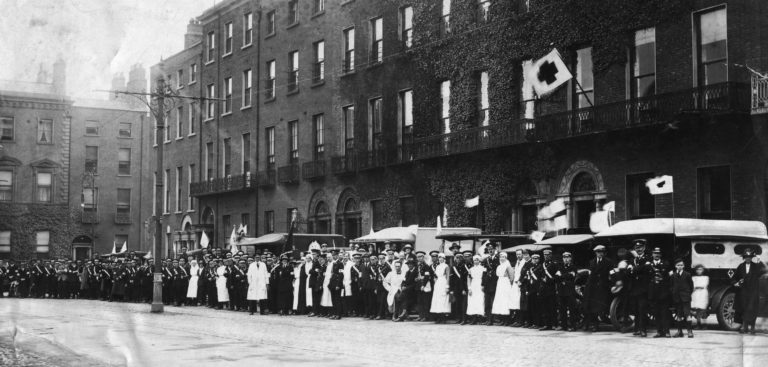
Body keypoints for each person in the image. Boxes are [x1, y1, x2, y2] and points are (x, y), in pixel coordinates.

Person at [732, 248, 766, 335]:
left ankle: (752, 328)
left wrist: (759, 261)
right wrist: (736, 283)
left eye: (750, 257)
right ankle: (744, 327)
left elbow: (763, 271)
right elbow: (734, 278)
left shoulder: (756, 266)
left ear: (752, 257)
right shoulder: (740, 266)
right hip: (743, 292)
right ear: (744, 257)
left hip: (753, 292)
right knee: (744, 309)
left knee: (752, 309)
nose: (748, 258)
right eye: (746, 257)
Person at [583, 245, 612, 332]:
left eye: (601, 252)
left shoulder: (608, 262)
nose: (600, 254)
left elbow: (611, 274)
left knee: (596, 307)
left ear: (604, 253)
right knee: (587, 304)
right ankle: (587, 323)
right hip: (592, 286)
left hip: (602, 286)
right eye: (598, 252)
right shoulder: (592, 262)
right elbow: (590, 274)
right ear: (595, 253)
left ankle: (596, 325)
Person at [627, 239, 652, 337]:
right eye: (637, 248)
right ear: (634, 249)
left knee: (642, 309)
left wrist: (634, 269)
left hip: (644, 288)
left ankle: (643, 330)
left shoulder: (648, 258)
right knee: (636, 310)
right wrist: (636, 269)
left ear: (644, 248)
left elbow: (646, 269)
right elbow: (628, 272)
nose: (639, 249)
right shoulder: (632, 260)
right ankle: (637, 328)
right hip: (634, 288)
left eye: (641, 247)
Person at [648, 247, 671, 338]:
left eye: (658, 253)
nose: (656, 255)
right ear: (652, 254)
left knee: (665, 313)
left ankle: (667, 331)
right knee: (656, 313)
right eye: (655, 253)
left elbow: (669, 279)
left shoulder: (665, 264)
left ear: (660, 255)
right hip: (653, 292)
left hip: (663, 292)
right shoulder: (648, 265)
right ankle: (659, 331)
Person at [670, 258, 694, 338]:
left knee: (687, 314)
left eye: (681, 265)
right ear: (675, 266)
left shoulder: (687, 274)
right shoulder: (673, 275)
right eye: (678, 265)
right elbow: (671, 286)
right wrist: (674, 292)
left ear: (683, 266)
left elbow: (691, 286)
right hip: (677, 298)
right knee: (679, 315)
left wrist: (687, 294)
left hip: (685, 298)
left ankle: (690, 331)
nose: (680, 266)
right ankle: (679, 331)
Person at [555, 251, 579, 331]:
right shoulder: (560, 267)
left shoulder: (573, 267)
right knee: (562, 309)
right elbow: (556, 278)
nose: (566, 259)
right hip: (561, 291)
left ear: (570, 258)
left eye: (567, 258)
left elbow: (572, 276)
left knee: (572, 309)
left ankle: (573, 326)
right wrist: (565, 276)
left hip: (569, 291)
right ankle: (563, 325)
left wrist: (562, 276)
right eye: (564, 258)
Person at [537, 249, 557, 331]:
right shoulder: (542, 265)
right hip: (543, 289)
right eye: (545, 255)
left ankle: (553, 324)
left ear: (551, 255)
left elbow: (556, 277)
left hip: (551, 288)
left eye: (548, 255)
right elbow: (540, 275)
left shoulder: (554, 265)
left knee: (552, 307)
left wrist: (548, 280)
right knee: (544, 308)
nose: (546, 256)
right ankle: (546, 324)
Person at [430, 253, 451, 323]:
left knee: (443, 299)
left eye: (442, 258)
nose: (440, 259)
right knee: (437, 299)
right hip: (438, 283)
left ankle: (443, 318)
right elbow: (436, 275)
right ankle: (438, 317)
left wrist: (447, 286)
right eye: (439, 258)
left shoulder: (446, 266)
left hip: (443, 282)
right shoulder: (438, 266)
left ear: (444, 259)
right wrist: (435, 280)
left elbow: (448, 276)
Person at [481, 243, 500, 325]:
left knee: (493, 302)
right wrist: (482, 284)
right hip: (487, 283)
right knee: (487, 302)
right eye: (489, 249)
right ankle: (488, 319)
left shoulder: (498, 259)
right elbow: (484, 272)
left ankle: (492, 319)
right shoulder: (486, 260)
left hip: (495, 283)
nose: (490, 250)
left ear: (495, 250)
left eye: (492, 249)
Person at [465, 255, 485, 325]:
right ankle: (473, 318)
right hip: (473, 285)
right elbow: (469, 279)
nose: (476, 261)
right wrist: (469, 288)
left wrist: (483, 285)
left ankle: (480, 318)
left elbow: (484, 278)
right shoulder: (471, 269)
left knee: (480, 300)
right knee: (472, 301)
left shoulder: (483, 268)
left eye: (477, 260)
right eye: (474, 260)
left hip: (480, 285)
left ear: (479, 261)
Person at [415, 251, 433, 322]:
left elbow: (427, 276)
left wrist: (423, 285)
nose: (419, 258)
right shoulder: (417, 266)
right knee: (419, 301)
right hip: (418, 285)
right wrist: (416, 278)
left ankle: (426, 316)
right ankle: (420, 315)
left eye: (421, 257)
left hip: (424, 285)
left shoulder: (426, 266)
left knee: (425, 301)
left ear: (423, 257)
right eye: (418, 257)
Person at [510, 249, 526, 326]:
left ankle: (521, 321)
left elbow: (523, 274)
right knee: (515, 302)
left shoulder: (524, 262)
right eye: (517, 254)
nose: (518, 256)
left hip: (521, 284)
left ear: (522, 254)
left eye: (519, 254)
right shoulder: (517, 263)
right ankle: (517, 320)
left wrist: (520, 281)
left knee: (520, 303)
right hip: (515, 285)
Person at [690, 264, 709, 329]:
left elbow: (704, 285)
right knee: (697, 309)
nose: (699, 271)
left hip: (702, 293)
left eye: (700, 269)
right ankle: (698, 324)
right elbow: (693, 285)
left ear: (703, 270)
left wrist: (697, 286)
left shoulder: (706, 278)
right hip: (696, 294)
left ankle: (704, 325)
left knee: (703, 309)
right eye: (697, 269)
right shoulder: (693, 278)